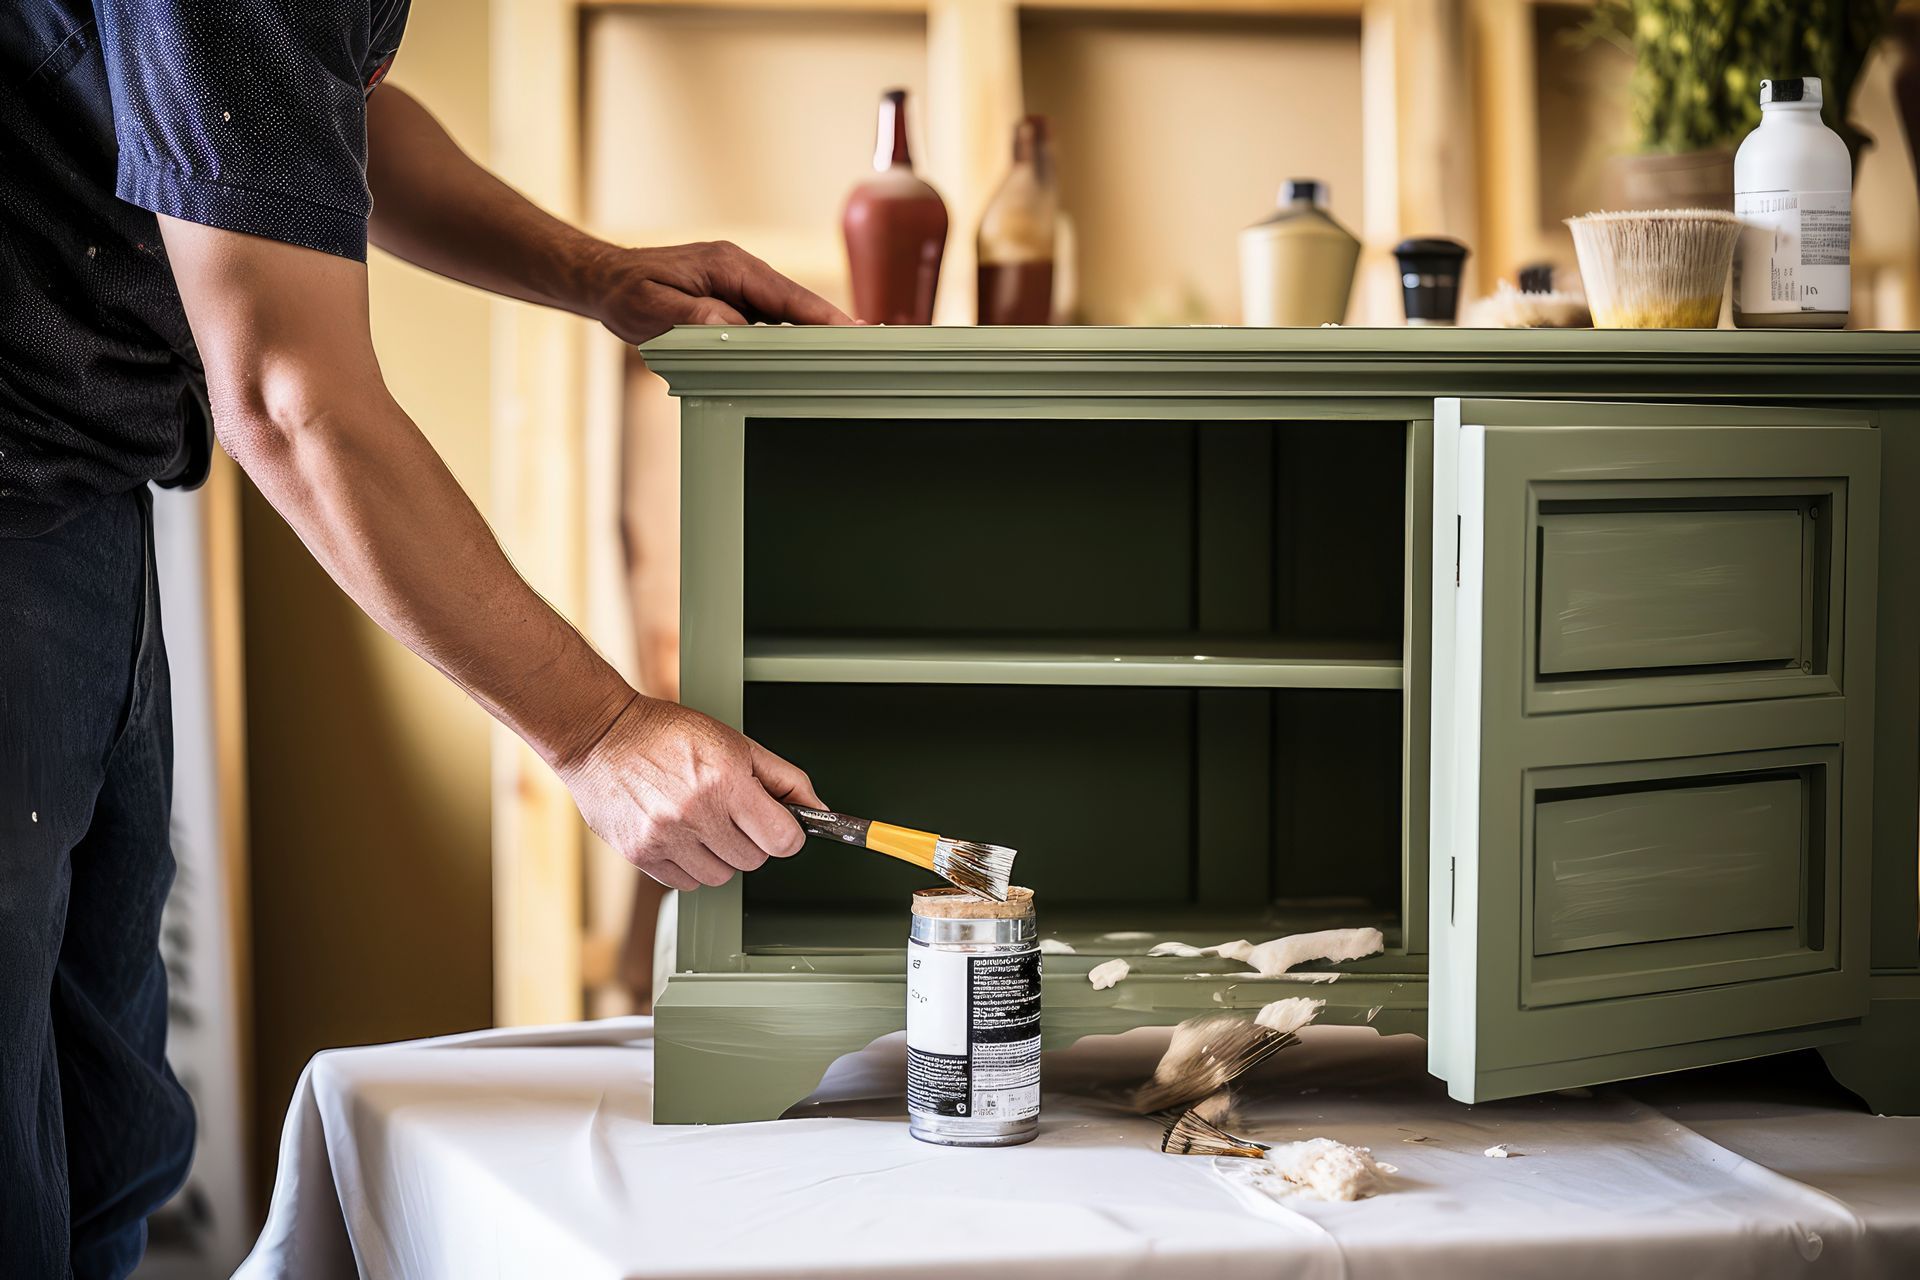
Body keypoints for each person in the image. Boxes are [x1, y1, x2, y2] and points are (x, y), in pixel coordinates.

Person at [1, 3, 846, 1274]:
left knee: (105, 1136)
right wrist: (602, 731)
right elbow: (290, 398)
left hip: (82, 488)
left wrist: (593, 272)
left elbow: (308, 117)